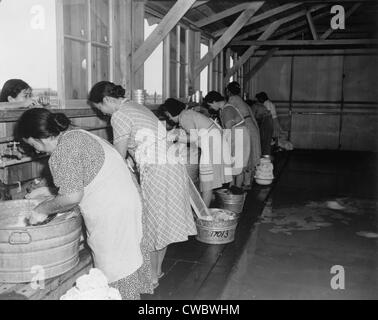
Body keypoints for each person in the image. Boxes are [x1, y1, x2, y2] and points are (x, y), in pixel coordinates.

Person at [16, 108, 153, 300]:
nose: (37, 151)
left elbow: (72, 197)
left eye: (33, 145)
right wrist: (49, 195)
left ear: (40, 137)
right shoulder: (77, 135)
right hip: (128, 203)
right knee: (129, 261)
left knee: (117, 271)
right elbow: (84, 179)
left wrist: (42, 208)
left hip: (113, 214)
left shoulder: (63, 151)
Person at [88, 82, 197, 287]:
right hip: (172, 167)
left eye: (100, 108)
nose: (102, 113)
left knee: (150, 225)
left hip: (157, 171)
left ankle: (151, 278)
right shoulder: (136, 107)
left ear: (107, 100)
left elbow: (117, 156)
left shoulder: (119, 115)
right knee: (161, 223)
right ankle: (157, 271)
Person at [160, 98, 232, 207]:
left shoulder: (184, 117)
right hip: (215, 142)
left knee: (207, 181)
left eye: (168, 115)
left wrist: (175, 137)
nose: (169, 118)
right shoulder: (187, 114)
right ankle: (206, 206)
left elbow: (193, 138)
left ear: (171, 111)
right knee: (208, 179)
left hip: (212, 145)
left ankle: (204, 214)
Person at [203, 91, 251, 190]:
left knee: (237, 165)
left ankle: (236, 190)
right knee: (235, 165)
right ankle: (233, 188)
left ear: (215, 101)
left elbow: (228, 130)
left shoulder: (227, 110)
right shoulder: (225, 108)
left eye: (210, 105)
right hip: (239, 135)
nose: (210, 108)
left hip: (238, 136)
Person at [226, 82, 261, 188]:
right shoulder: (241, 100)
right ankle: (247, 182)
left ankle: (239, 185)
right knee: (249, 155)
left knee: (244, 156)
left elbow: (228, 116)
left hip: (246, 127)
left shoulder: (232, 100)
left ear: (228, 91)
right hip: (251, 126)